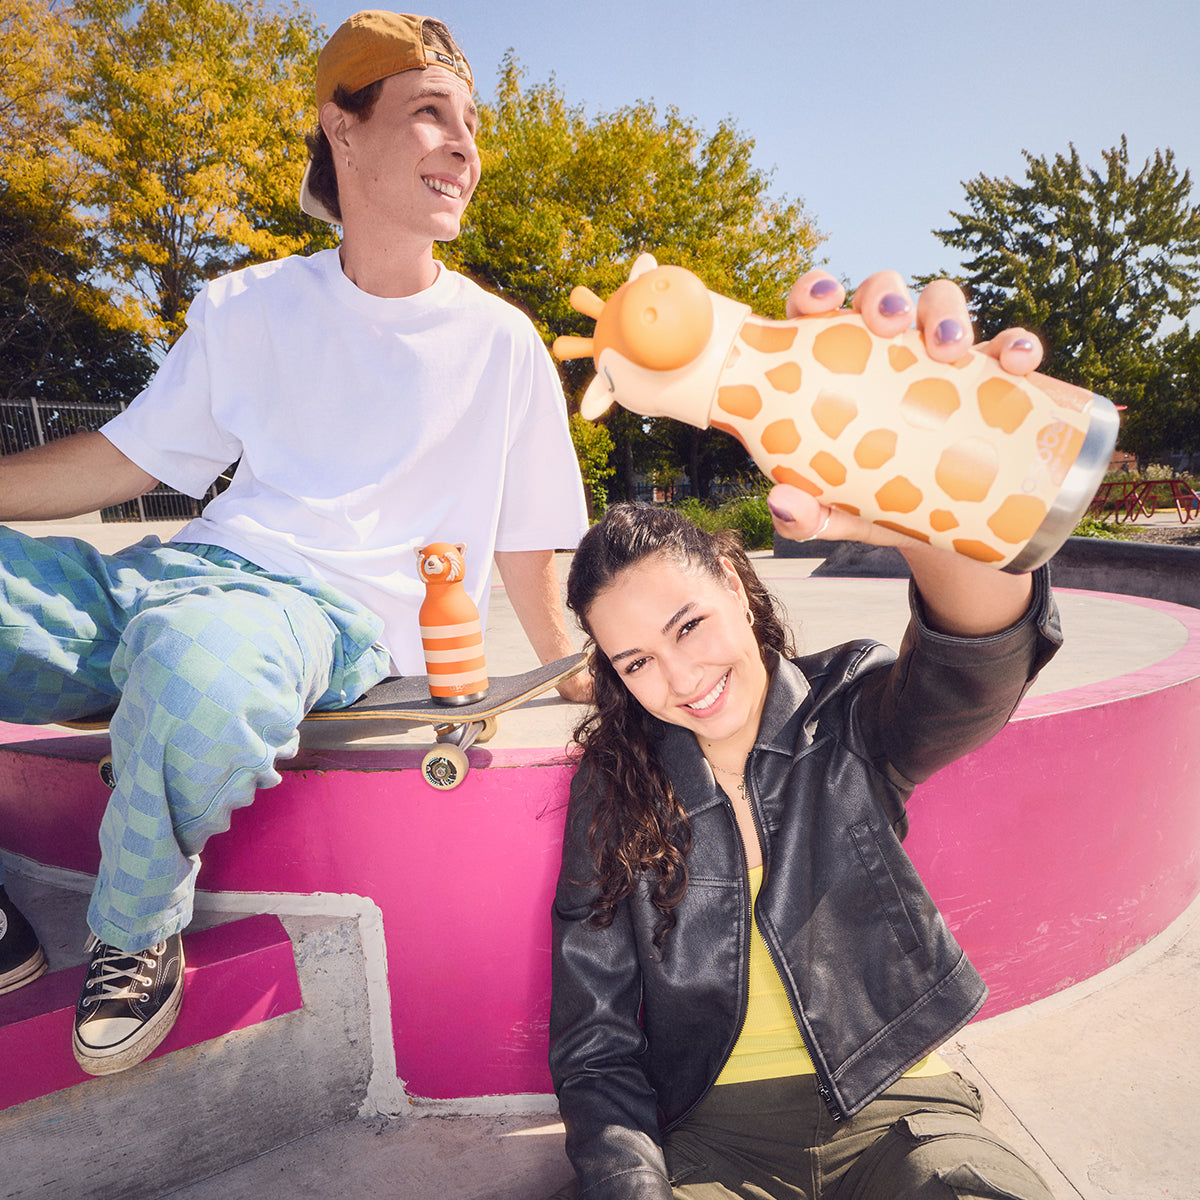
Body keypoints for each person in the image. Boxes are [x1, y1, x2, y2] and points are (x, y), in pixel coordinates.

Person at [0, 12, 589, 1075]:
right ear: (343, 128)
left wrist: (569, 662)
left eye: (471, 125)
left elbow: (529, 540)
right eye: (430, 114)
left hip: (316, 621)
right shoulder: (250, 304)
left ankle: (132, 933)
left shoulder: (499, 343)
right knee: (178, 631)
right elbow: (127, 458)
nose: (464, 146)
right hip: (175, 575)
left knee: (198, 663)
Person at [546, 276, 1061, 1199]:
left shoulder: (846, 714)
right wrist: (632, 1184)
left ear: (735, 588)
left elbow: (976, 667)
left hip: (902, 1112)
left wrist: (928, 491)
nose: (681, 679)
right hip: (714, 1144)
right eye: (636, 662)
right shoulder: (616, 788)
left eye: (690, 626)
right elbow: (594, 1043)